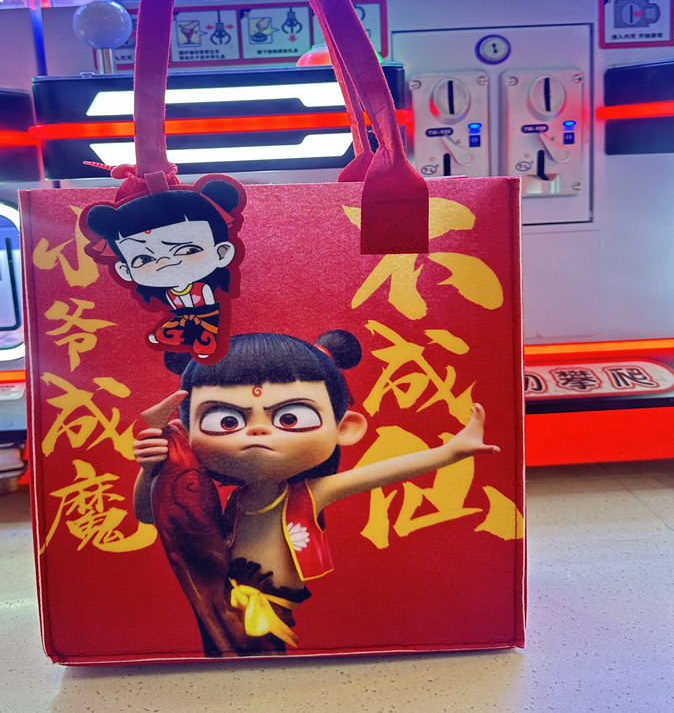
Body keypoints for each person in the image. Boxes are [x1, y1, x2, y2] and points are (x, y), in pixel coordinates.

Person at [132, 330, 500, 656]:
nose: (258, 431)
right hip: (224, 604)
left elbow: (382, 473)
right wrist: (153, 467)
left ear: (346, 428)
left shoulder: (308, 494)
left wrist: (450, 451)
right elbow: (150, 514)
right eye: (227, 420)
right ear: (188, 432)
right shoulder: (230, 498)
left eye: (289, 418)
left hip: (270, 609)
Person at [84, 177, 243, 362]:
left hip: (206, 318)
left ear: (222, 253)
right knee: (171, 330)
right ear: (125, 270)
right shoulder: (170, 294)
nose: (165, 262)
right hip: (182, 320)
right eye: (144, 259)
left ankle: (203, 339)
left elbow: (210, 309)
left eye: (188, 250)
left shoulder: (203, 289)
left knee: (204, 333)